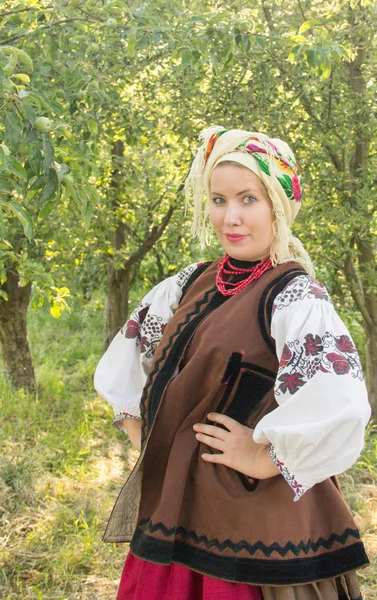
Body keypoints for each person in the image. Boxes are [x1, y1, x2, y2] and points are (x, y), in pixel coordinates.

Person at [94, 126, 371, 600]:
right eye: (219, 200)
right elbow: (129, 360)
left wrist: (264, 457)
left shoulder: (295, 297)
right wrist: (156, 438)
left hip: (255, 531)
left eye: (248, 199)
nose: (231, 217)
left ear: (278, 206)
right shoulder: (189, 283)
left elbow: (338, 399)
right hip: (176, 510)